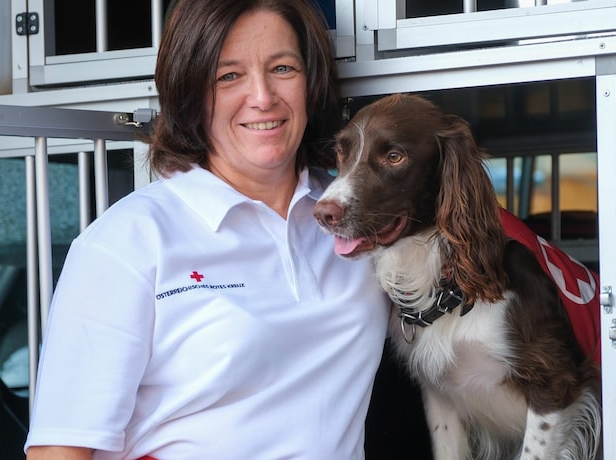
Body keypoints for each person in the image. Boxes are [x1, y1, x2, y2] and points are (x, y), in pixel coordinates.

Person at [24, 0, 390, 458]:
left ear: (311, 83)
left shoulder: (360, 220)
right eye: (228, 76)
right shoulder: (128, 242)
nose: (262, 96)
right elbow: (57, 451)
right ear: (191, 93)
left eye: (282, 68)